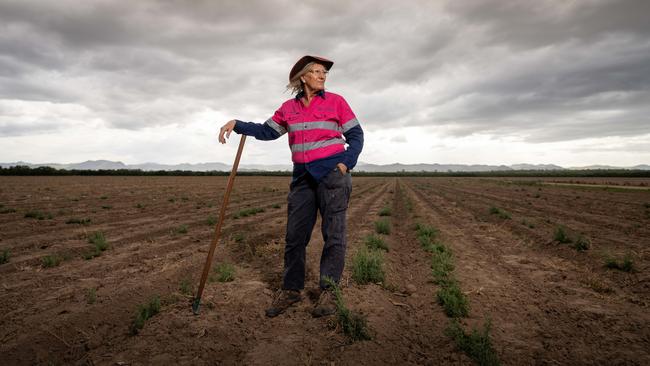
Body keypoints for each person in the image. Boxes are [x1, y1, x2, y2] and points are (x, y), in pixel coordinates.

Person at [218, 55, 364, 318]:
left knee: (334, 235)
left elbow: (356, 135)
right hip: (302, 178)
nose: (322, 76)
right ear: (303, 77)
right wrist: (237, 124)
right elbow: (267, 131)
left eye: (324, 73)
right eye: (317, 72)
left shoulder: (337, 101)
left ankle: (329, 291)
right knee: (294, 236)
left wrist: (345, 164)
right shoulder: (288, 108)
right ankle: (291, 289)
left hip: (332, 175)